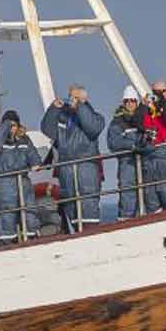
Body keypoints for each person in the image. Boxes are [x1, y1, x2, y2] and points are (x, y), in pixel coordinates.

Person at [42, 84, 105, 230]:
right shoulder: (63, 119)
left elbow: (92, 128)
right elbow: (47, 129)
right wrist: (54, 109)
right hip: (66, 168)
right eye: (71, 97)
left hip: (86, 166)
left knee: (88, 205)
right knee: (71, 207)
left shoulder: (96, 117)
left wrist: (80, 106)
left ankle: (92, 234)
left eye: (76, 97)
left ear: (84, 98)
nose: (72, 100)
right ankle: (75, 233)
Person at [0, 110, 41, 243]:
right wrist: (5, 126)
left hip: (23, 182)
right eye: (9, 125)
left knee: (30, 215)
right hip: (4, 184)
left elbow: (35, 158)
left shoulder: (24, 140)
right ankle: (7, 246)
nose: (12, 128)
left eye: (14, 125)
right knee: (6, 219)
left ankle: (32, 241)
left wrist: (35, 163)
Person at [105, 87, 153, 218]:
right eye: (127, 101)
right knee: (128, 195)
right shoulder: (118, 122)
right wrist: (132, 145)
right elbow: (113, 142)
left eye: (132, 101)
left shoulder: (145, 117)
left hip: (146, 161)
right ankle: (126, 221)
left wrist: (145, 144)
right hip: (127, 163)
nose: (130, 104)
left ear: (137, 102)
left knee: (149, 192)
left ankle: (150, 219)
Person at [137, 92, 166, 214]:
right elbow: (138, 123)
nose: (157, 95)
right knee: (152, 205)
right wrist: (143, 105)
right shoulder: (146, 112)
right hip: (149, 160)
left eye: (162, 91)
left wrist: (163, 102)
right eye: (155, 92)